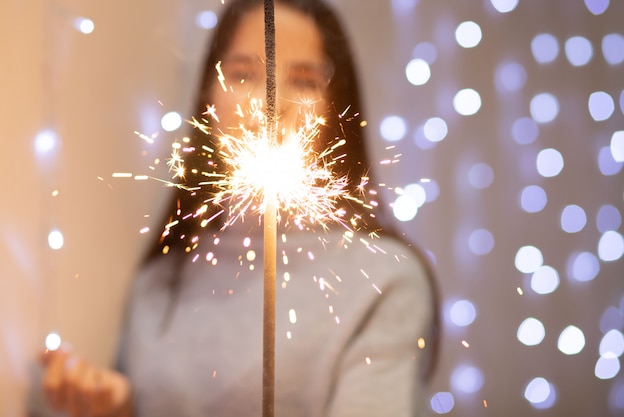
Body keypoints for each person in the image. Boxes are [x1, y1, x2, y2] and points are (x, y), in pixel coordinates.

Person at [32, 0, 439, 416]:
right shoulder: (158, 284)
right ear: (208, 98)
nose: (270, 103)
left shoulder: (383, 280)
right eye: (243, 75)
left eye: (304, 81)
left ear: (336, 110)